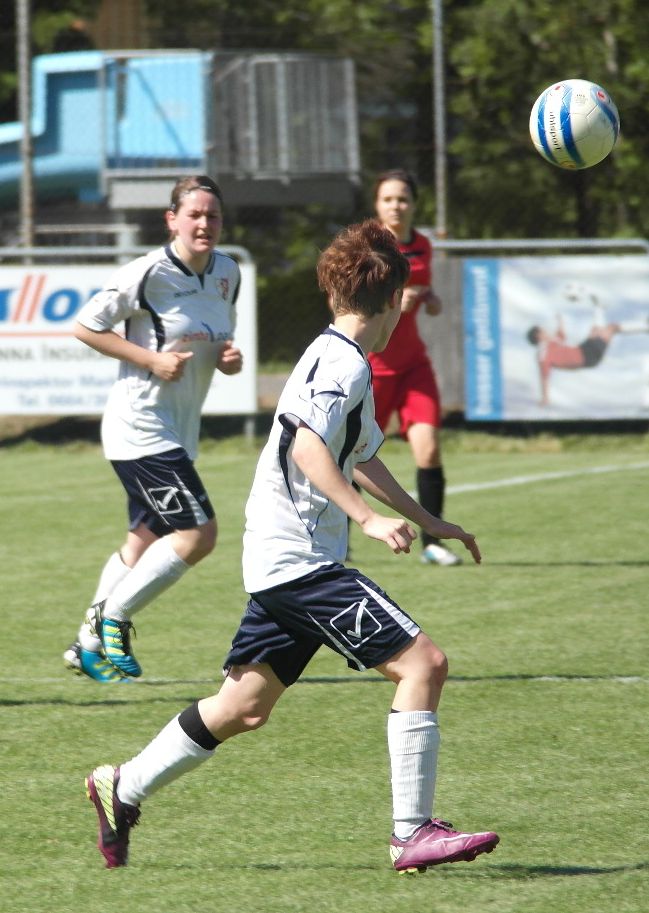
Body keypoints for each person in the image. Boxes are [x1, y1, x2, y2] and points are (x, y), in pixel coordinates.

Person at [84, 219, 499, 873]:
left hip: (282, 561)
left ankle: (122, 785)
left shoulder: (336, 352)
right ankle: (411, 832)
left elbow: (358, 456)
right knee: (423, 665)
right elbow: (309, 448)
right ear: (393, 301)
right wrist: (366, 519)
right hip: (301, 564)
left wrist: (428, 520)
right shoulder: (343, 363)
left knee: (242, 707)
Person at [63, 175, 243, 683]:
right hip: (141, 427)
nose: (204, 223)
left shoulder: (228, 272)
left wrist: (227, 360)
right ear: (172, 220)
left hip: (178, 432)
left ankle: (84, 647)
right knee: (198, 534)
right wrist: (150, 359)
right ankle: (112, 618)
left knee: (144, 539)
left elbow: (216, 341)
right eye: (194, 215)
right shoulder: (148, 272)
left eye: (212, 215)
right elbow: (85, 326)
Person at [369, 169, 460, 566]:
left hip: (413, 366)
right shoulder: (369, 245)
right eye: (388, 199)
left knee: (430, 449)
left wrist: (431, 299)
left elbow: (424, 288)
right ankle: (335, 542)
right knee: (347, 456)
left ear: (414, 205)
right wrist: (391, 300)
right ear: (377, 205)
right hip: (372, 367)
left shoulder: (423, 244)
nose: (396, 206)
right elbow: (345, 301)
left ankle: (433, 543)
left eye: (403, 199)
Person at [527, 309, 649, 406]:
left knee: (596, 329)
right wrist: (545, 397)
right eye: (543, 331)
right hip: (587, 357)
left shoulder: (550, 343)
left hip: (583, 349)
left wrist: (560, 321)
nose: (546, 331)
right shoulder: (543, 355)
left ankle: (599, 308)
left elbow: (561, 336)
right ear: (539, 336)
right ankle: (645, 327)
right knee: (611, 328)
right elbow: (544, 377)